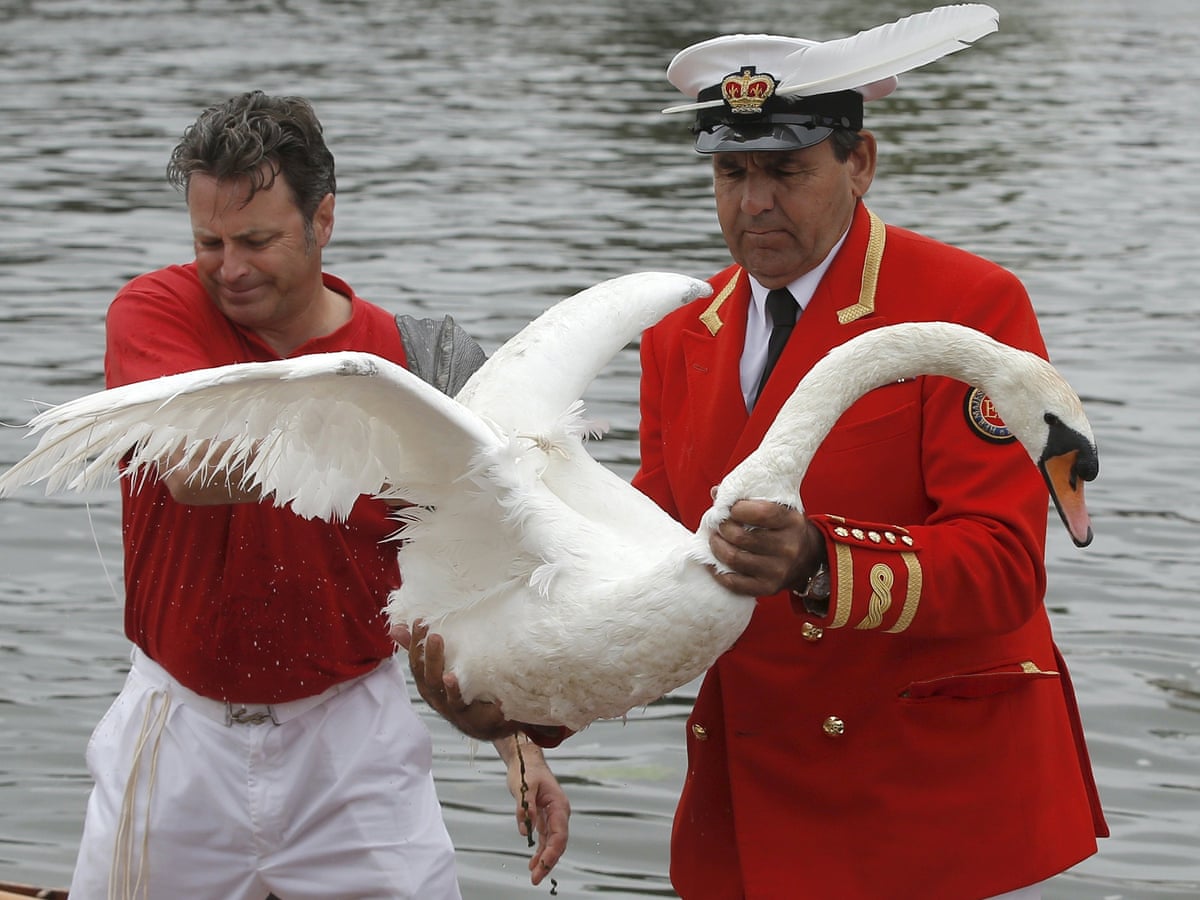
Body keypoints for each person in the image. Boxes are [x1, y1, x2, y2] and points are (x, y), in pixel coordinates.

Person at [629, 14, 1109, 900]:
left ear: (860, 163)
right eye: (731, 173)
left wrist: (819, 561)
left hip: (909, 805)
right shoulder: (676, 333)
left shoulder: (968, 307)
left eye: (785, 170)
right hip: (746, 796)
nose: (753, 203)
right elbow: (650, 549)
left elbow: (1005, 569)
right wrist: (528, 698)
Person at [70, 90, 568, 900]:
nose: (229, 268)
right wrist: (410, 435)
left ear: (323, 219)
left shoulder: (407, 359)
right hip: (178, 732)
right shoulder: (154, 309)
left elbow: (468, 577)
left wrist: (516, 741)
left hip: (352, 737)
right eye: (210, 241)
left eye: (257, 240)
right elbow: (193, 469)